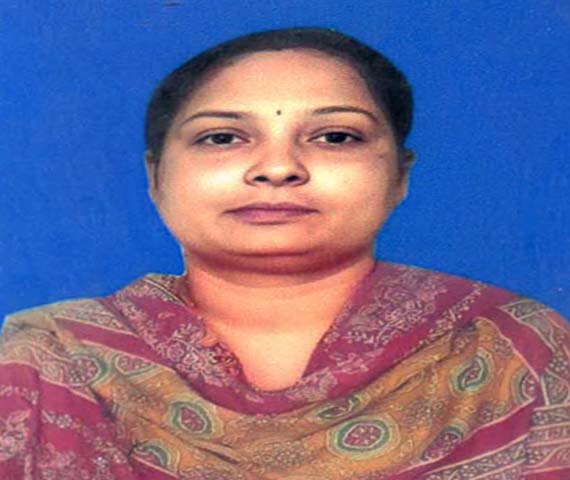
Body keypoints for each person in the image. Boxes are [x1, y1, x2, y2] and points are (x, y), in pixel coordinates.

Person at [0, 27, 568, 480]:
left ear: (400, 176)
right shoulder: (49, 358)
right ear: (156, 177)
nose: (277, 168)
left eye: (336, 136)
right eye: (222, 137)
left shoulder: (513, 350)